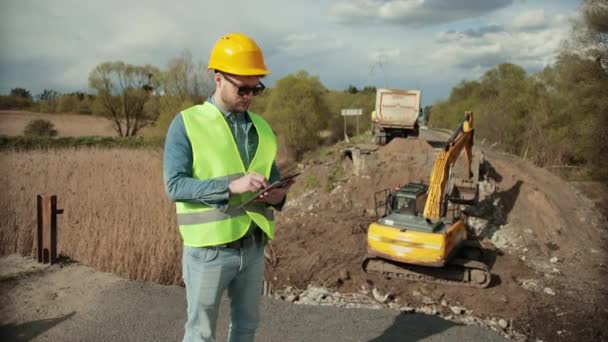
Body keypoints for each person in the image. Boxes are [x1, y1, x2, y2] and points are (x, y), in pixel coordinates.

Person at [163, 32, 291, 342]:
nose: (249, 96)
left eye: (255, 88)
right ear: (218, 79)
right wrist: (230, 186)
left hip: (253, 247)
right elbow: (175, 185)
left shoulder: (262, 128)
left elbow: (271, 178)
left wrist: (278, 196)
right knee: (200, 334)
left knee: (246, 329)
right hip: (208, 252)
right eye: (242, 88)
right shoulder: (187, 123)